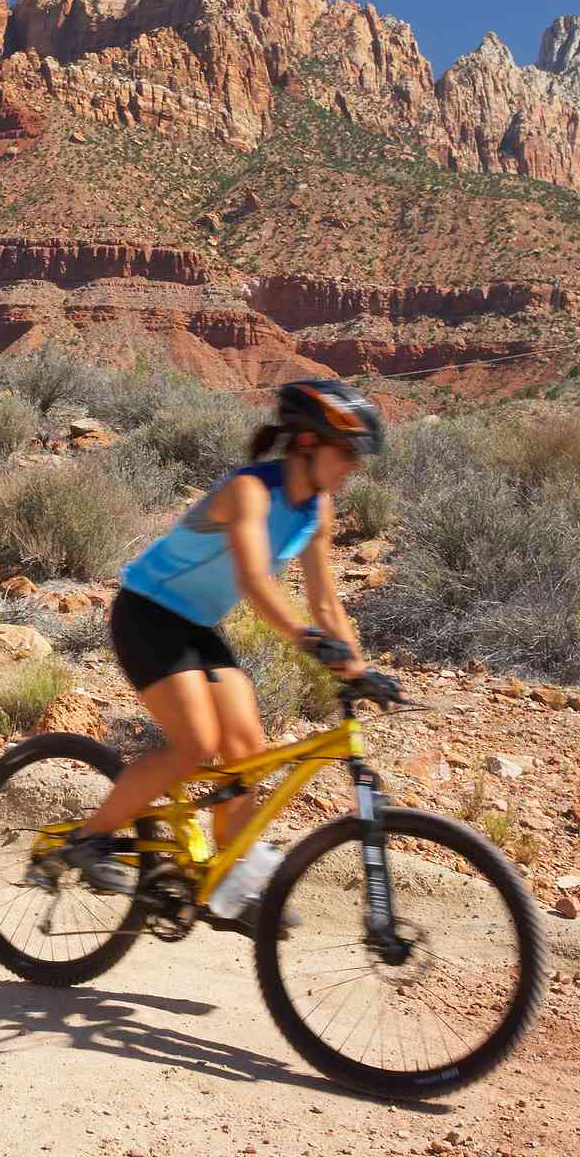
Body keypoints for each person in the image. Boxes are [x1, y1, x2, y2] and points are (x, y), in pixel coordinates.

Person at [61, 377, 385, 927]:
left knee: (247, 749)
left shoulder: (317, 511)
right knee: (196, 745)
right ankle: (89, 838)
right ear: (308, 443)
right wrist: (308, 640)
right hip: (147, 613)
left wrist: (360, 667)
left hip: (198, 626)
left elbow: (327, 602)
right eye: (346, 451)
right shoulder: (250, 492)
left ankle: (228, 882)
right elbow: (257, 582)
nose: (354, 465)